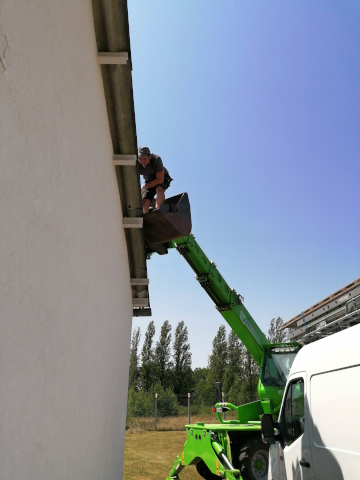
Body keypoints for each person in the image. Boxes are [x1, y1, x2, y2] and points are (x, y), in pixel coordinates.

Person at [138, 146, 172, 214]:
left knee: (159, 189)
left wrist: (145, 187)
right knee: (145, 200)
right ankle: (145, 217)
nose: (142, 162)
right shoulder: (137, 164)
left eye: (144, 159)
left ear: (149, 157)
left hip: (163, 177)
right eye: (140, 159)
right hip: (149, 181)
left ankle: (157, 212)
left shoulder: (156, 159)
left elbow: (160, 180)